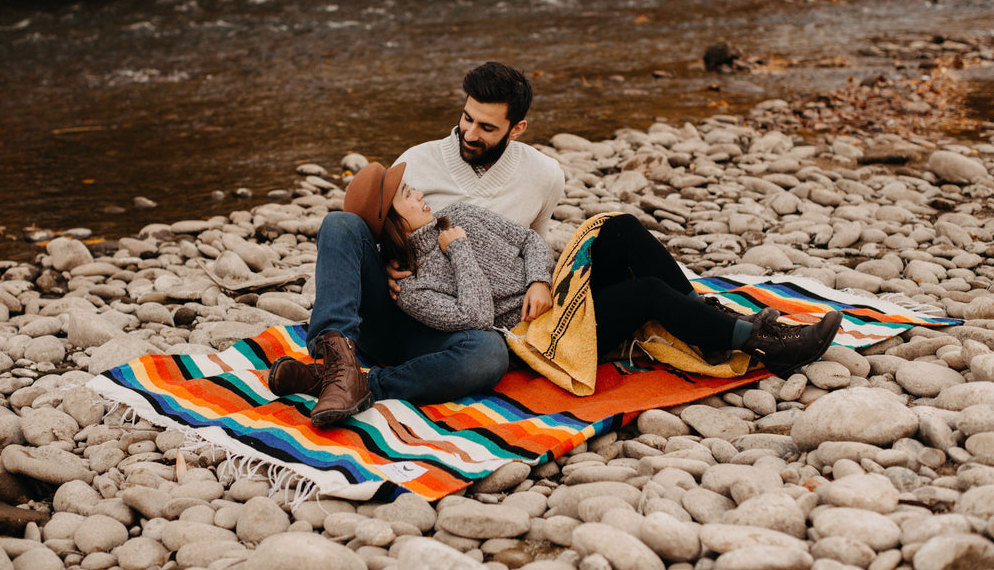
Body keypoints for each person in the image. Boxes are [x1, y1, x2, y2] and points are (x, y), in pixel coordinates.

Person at [337, 162, 842, 382]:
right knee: (645, 292)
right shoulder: (413, 287)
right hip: (542, 333)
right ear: (394, 222)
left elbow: (532, 240)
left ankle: (707, 319)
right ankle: (759, 344)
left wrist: (538, 279)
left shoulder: (461, 214)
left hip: (556, 291)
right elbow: (474, 317)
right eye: (407, 194)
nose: (419, 192)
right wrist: (460, 252)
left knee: (618, 226)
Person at [268, 62, 565, 426]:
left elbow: (533, 243)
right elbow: (376, 228)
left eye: (486, 127)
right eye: (466, 118)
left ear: (516, 129)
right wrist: (388, 261)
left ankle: (357, 383)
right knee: (340, 223)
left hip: (453, 328)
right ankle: (337, 359)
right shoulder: (417, 160)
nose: (469, 133)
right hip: (390, 311)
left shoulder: (545, 176)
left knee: (489, 354)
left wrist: (540, 279)